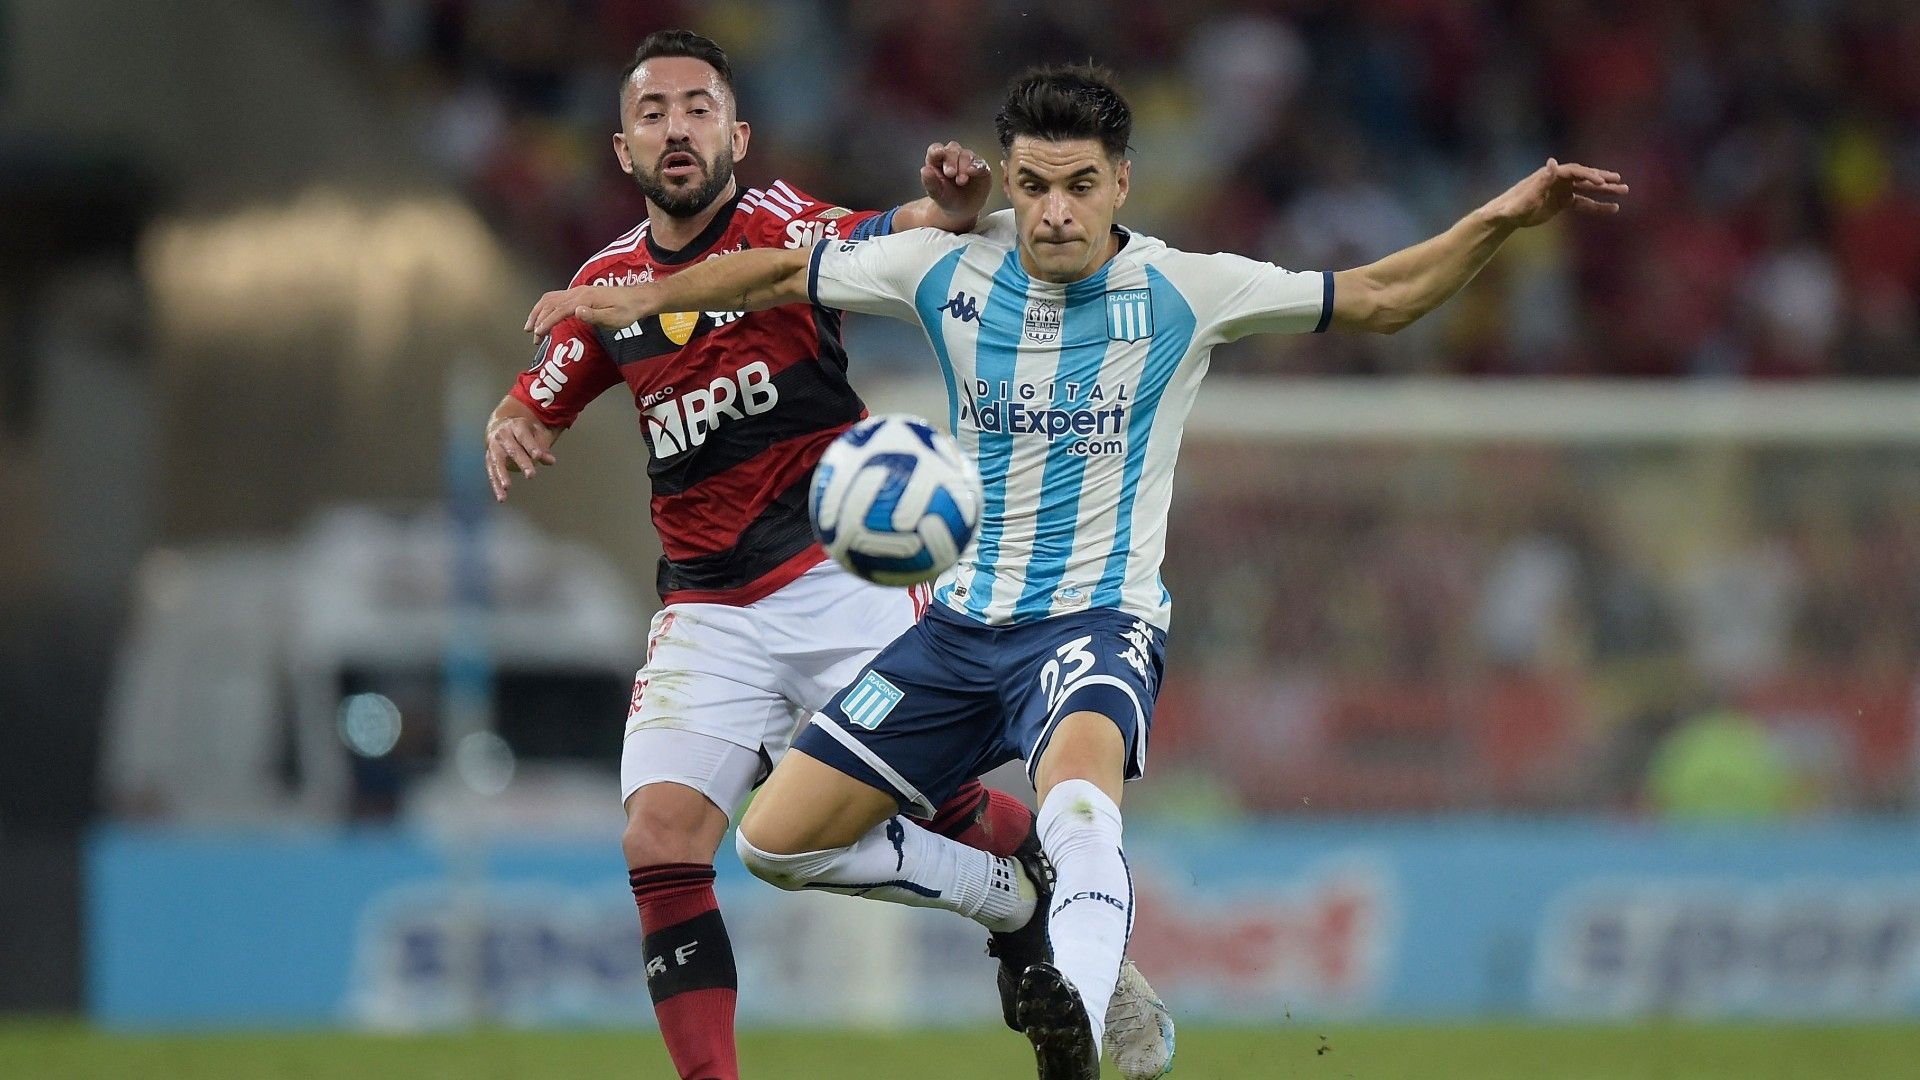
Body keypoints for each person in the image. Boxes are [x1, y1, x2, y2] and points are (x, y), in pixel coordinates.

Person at [527, 63, 1625, 1080]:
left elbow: (1381, 295)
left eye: (1080, 186)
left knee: (1082, 810)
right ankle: (1009, 903)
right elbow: (776, 266)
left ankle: (1088, 1020)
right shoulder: (944, 269)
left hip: (1095, 626)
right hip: (956, 633)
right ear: (1009, 180)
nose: (1054, 212)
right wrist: (640, 300)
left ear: (1120, 185)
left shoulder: (1190, 288)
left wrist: (1497, 221)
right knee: (772, 843)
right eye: (1036, 185)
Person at [490, 34, 1174, 1080]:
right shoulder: (606, 285)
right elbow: (546, 384)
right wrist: (513, 418)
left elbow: (898, 229)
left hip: (837, 577)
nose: (678, 127)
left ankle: (1045, 914)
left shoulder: (784, 226)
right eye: (654, 113)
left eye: (699, 109)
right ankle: (1013, 907)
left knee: (925, 800)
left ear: (737, 136)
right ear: (623, 149)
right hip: (707, 606)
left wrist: (947, 200)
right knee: (660, 837)